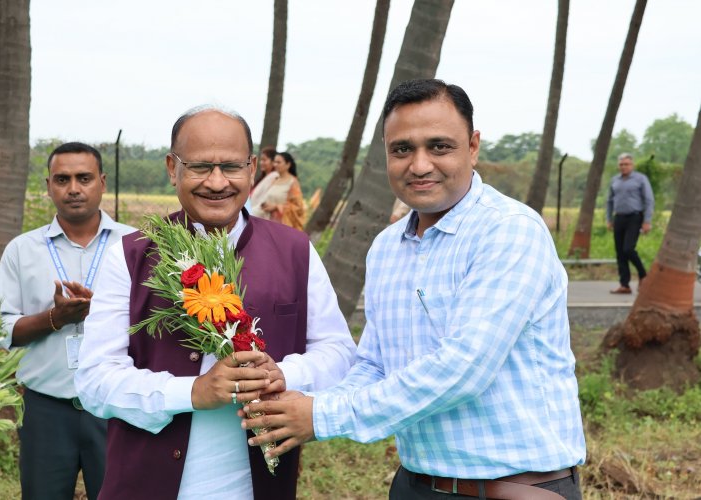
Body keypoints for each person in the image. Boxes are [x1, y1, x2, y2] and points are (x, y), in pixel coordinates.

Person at [244, 79, 586, 500]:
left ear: (473, 146)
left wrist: (320, 415)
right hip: (415, 484)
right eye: (402, 149)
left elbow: (463, 370)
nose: (420, 165)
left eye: (439, 146)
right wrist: (298, 403)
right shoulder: (387, 247)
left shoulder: (509, 232)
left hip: (514, 488)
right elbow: (373, 363)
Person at [74, 105, 355, 500]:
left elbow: (340, 352)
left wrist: (283, 375)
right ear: (172, 169)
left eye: (232, 166)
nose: (217, 182)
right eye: (200, 167)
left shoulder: (295, 250)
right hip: (143, 485)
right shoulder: (132, 254)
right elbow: (94, 379)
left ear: (253, 168)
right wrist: (194, 392)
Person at [0, 142, 135, 500]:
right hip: (46, 410)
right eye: (63, 179)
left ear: (101, 182)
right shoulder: (22, 251)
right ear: (48, 185)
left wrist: (100, 311)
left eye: (84, 178)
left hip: (117, 408)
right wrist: (55, 317)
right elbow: (2, 331)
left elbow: (156, 325)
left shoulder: (136, 245)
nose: (73, 188)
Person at [606, 153, 654, 294]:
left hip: (634, 218)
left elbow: (649, 200)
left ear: (632, 165)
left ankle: (643, 274)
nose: (624, 167)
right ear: (618, 165)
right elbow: (609, 201)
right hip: (619, 218)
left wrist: (647, 221)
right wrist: (609, 219)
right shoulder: (615, 180)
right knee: (620, 253)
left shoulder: (640, 179)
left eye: (626, 164)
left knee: (628, 249)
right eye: (621, 164)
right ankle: (624, 285)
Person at [256, 152, 306, 230]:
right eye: (274, 162)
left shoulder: (293, 182)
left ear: (288, 164)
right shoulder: (274, 180)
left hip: (282, 226)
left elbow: (298, 207)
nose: (275, 164)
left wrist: (276, 207)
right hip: (266, 223)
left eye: (278, 162)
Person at [249, 146, 278, 218]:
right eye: (261, 160)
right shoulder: (264, 177)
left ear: (273, 162)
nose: (261, 163)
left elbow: (264, 202)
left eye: (264, 160)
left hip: (257, 216)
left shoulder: (274, 176)